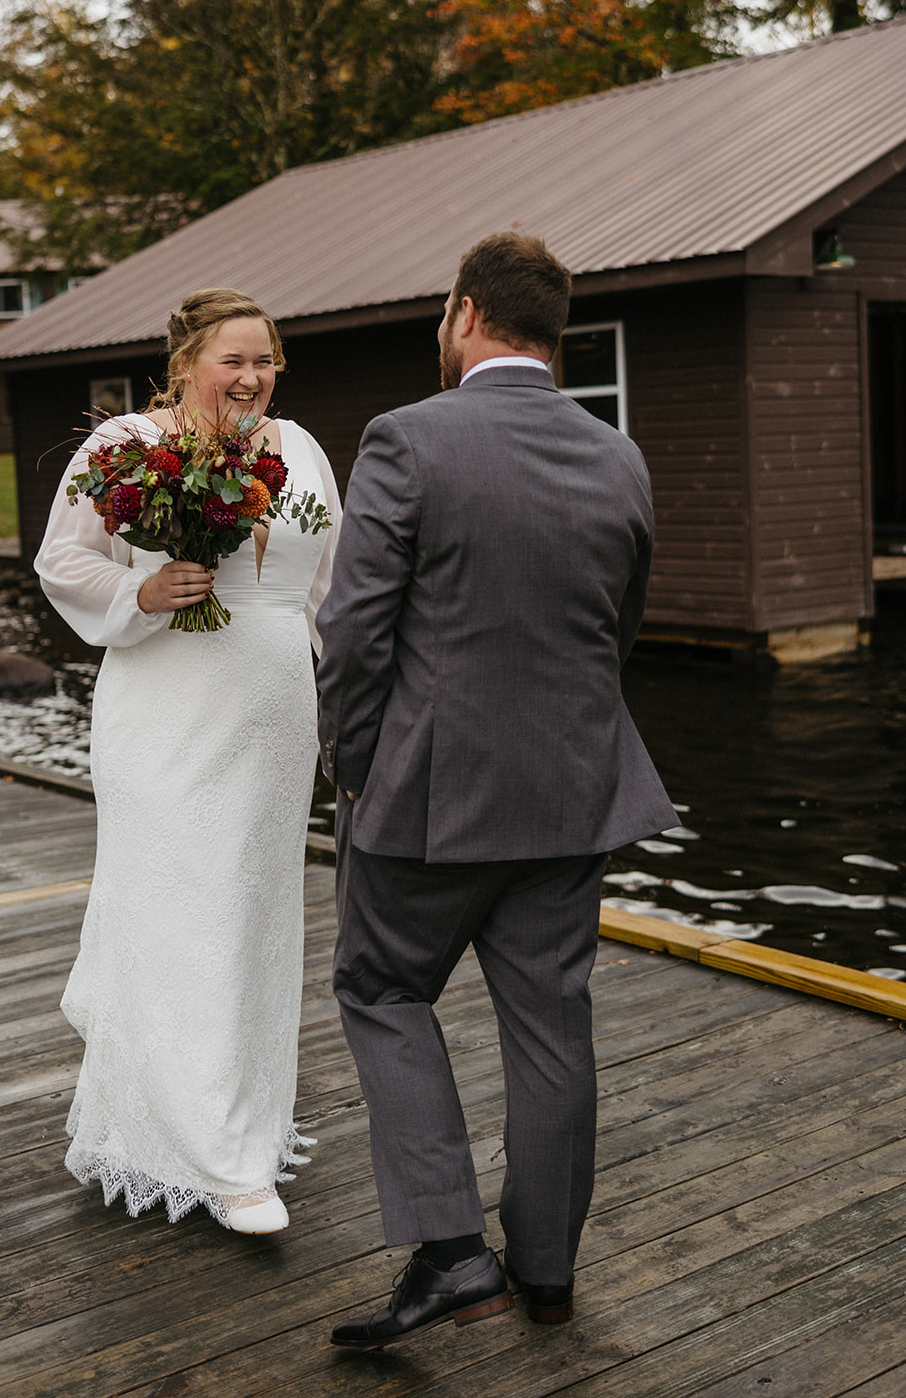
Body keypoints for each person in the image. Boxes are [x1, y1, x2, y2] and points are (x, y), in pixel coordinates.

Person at [315, 231, 677, 1347]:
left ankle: (448, 1249)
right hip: (572, 793)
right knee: (551, 1023)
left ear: (464, 312)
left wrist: (356, 775)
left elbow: (353, 632)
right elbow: (616, 630)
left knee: (379, 987)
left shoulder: (405, 440)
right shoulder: (618, 455)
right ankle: (549, 1271)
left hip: (427, 799)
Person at [35, 288, 341, 1235]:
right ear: (185, 364)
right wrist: (146, 586)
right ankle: (217, 1159)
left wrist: (350, 692)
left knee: (250, 913)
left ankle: (244, 1114)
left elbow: (327, 584)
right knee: (179, 906)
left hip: (274, 713)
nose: (250, 379)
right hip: (165, 707)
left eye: (265, 361)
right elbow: (62, 562)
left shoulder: (304, 452)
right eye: (232, 361)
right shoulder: (124, 447)